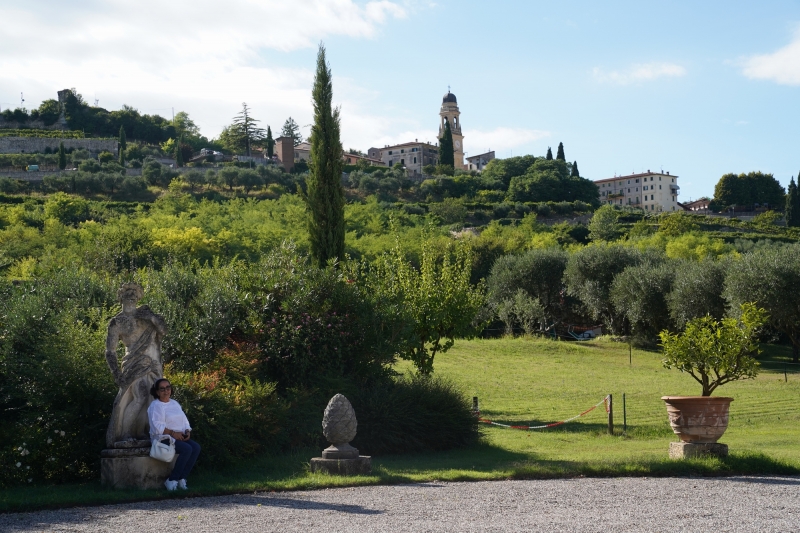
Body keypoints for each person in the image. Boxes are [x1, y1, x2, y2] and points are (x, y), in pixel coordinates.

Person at [105, 283, 167, 447]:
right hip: (133, 363)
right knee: (140, 396)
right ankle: (125, 433)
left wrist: (152, 318)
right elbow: (110, 351)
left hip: (153, 364)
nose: (132, 294)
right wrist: (116, 374)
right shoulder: (117, 322)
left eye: (135, 292)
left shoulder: (147, 315)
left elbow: (163, 331)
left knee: (152, 399)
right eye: (127, 292)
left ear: (139, 296)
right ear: (121, 297)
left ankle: (141, 433)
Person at [147, 378, 201, 491]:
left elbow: (184, 420)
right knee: (186, 449)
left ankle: (181, 478)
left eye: (168, 388)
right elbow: (157, 426)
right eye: (162, 389)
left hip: (178, 436)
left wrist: (187, 431)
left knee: (196, 447)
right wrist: (172, 433)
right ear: (157, 392)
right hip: (163, 438)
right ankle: (171, 480)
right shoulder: (156, 405)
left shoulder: (175, 403)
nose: (166, 391)